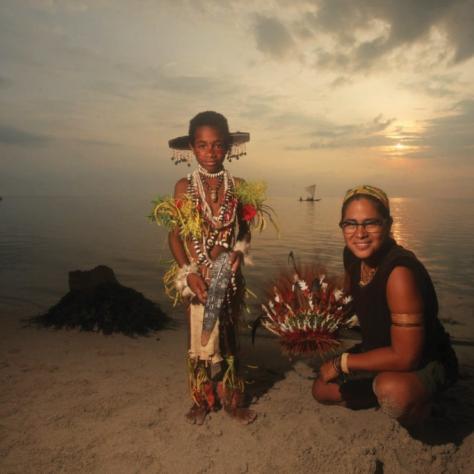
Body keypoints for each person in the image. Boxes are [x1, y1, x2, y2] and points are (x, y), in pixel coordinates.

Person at [312, 185, 458, 426]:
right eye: (350, 223)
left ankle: (422, 402)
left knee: (393, 392)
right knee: (321, 390)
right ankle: (382, 394)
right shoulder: (352, 257)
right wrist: (315, 318)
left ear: (388, 225)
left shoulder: (399, 273)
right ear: (342, 226)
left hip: (423, 360)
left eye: (371, 223)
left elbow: (406, 357)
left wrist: (342, 363)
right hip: (378, 351)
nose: (360, 233)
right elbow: (354, 304)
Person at [167, 111, 256, 425]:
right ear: (192, 147)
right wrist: (188, 272)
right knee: (198, 342)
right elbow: (175, 236)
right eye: (203, 146)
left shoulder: (240, 186)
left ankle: (232, 400)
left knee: (230, 339)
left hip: (228, 277)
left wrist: (239, 254)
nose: (210, 153)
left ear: (229, 147)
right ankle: (201, 400)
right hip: (196, 276)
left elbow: (244, 233)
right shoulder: (184, 186)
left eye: (217, 145)